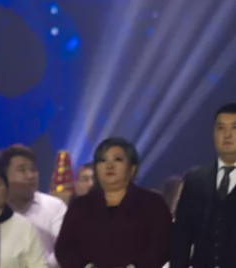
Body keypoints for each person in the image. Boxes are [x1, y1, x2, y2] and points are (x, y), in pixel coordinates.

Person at [55, 137, 171, 268]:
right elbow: (64, 248)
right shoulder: (80, 206)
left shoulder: (153, 203)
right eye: (102, 160)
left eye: (117, 159)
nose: (109, 166)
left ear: (132, 168)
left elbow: (162, 245)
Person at [171, 103, 236, 268]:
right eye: (221, 128)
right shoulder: (196, 179)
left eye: (234, 128)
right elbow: (181, 238)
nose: (227, 135)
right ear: (213, 134)